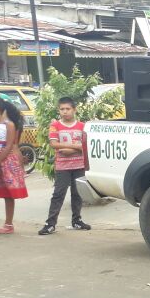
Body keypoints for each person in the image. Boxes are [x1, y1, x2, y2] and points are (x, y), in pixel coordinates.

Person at [38, 97, 90, 236]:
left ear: (74, 109)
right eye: (62, 109)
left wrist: (71, 150)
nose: (65, 112)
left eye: (68, 109)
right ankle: (50, 224)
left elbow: (86, 146)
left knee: (77, 193)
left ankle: (77, 220)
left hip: (79, 165)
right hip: (62, 166)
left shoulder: (82, 126)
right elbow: (54, 144)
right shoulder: (55, 126)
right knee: (58, 194)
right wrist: (76, 147)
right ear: (59, 110)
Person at [0, 97, 27, 233]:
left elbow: (9, 146)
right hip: (1, 158)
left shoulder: (9, 124)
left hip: (6, 161)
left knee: (7, 194)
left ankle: (8, 225)